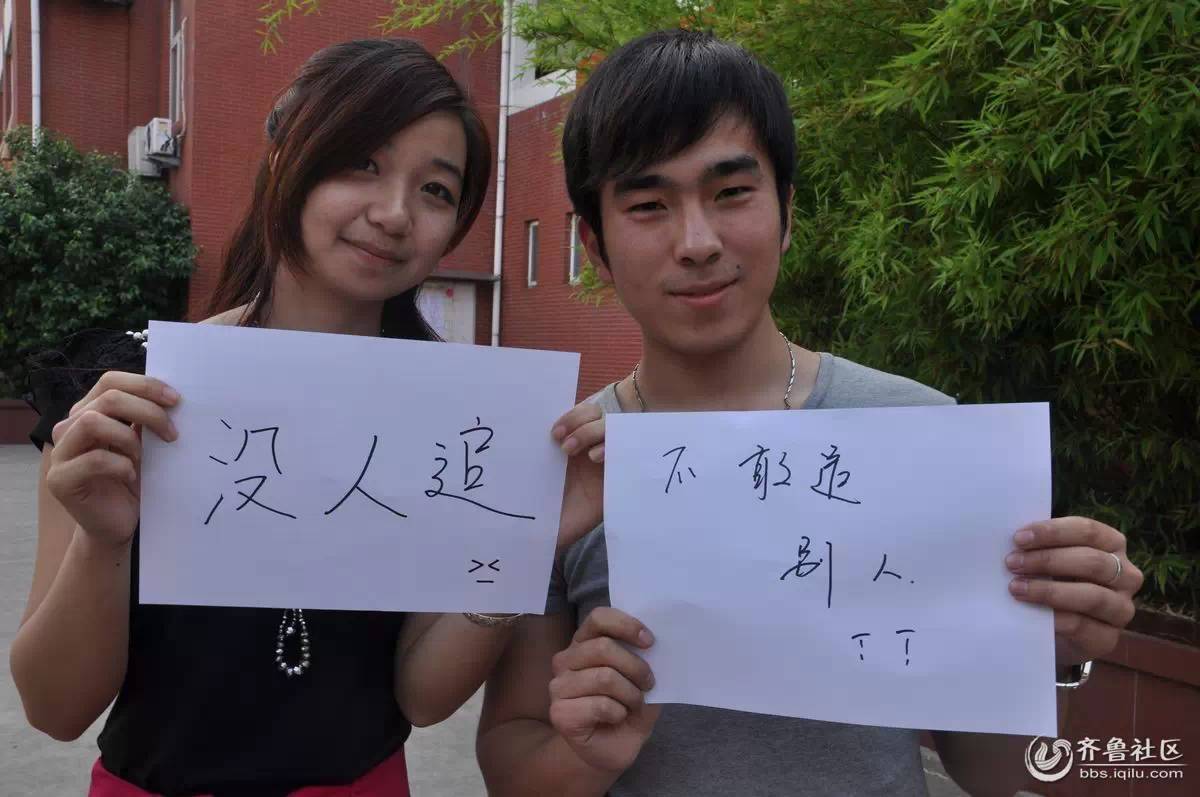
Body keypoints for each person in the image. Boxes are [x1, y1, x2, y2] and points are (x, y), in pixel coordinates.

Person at [478, 29, 1144, 796]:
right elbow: (510, 764)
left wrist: (1053, 654)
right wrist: (585, 756)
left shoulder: (920, 434)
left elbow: (994, 771)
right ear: (595, 245)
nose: (697, 242)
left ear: (787, 211)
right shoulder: (569, 473)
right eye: (649, 205)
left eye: (732, 192)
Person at [10, 38, 594, 797]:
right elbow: (55, 709)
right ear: (286, 156)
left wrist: (519, 547)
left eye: (435, 190)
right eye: (363, 163)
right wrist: (101, 541)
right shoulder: (127, 397)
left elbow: (421, 698)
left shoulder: (456, 421)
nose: (394, 214)